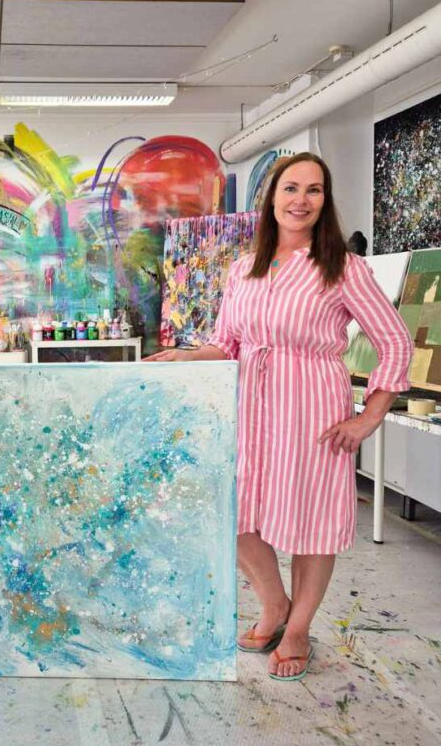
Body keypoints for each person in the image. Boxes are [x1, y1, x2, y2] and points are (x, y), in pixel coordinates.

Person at [144, 152, 413, 681]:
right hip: (249, 408)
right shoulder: (244, 268)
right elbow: (227, 343)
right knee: (234, 511)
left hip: (312, 408)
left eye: (314, 190)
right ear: (272, 198)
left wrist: (368, 418)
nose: (301, 200)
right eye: (291, 188)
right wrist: (185, 355)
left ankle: (298, 629)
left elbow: (396, 343)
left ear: (324, 201)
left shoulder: (343, 268)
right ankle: (275, 605)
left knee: (311, 524)